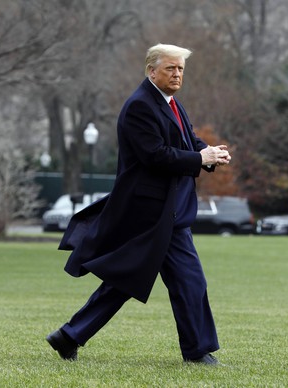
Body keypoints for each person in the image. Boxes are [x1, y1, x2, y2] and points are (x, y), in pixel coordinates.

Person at [47, 43, 231, 365]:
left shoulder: (170, 102)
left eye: (181, 69)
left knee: (128, 280)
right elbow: (155, 155)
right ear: (151, 71)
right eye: (170, 68)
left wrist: (209, 153)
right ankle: (197, 352)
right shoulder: (140, 106)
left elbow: (187, 139)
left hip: (168, 211)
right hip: (152, 214)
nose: (177, 75)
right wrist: (198, 158)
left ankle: (69, 336)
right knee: (182, 280)